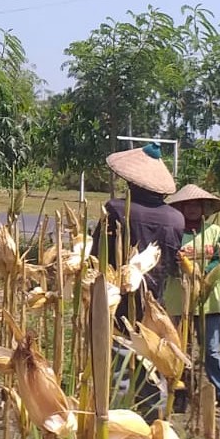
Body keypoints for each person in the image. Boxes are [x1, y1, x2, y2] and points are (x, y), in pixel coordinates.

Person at [91, 143, 183, 418]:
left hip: (117, 301)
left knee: (117, 366)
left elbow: (98, 256)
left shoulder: (115, 210)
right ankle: (154, 426)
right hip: (156, 304)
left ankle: (115, 424)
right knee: (151, 364)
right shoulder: (176, 218)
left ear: (131, 181)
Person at [164, 184, 220, 411]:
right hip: (178, 299)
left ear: (204, 208)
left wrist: (203, 275)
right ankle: (179, 391)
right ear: (180, 208)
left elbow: (219, 260)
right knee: (179, 348)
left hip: (208, 301)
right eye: (188, 206)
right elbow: (165, 258)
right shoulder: (173, 232)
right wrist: (177, 265)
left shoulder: (215, 232)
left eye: (196, 205)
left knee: (211, 350)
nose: (192, 209)